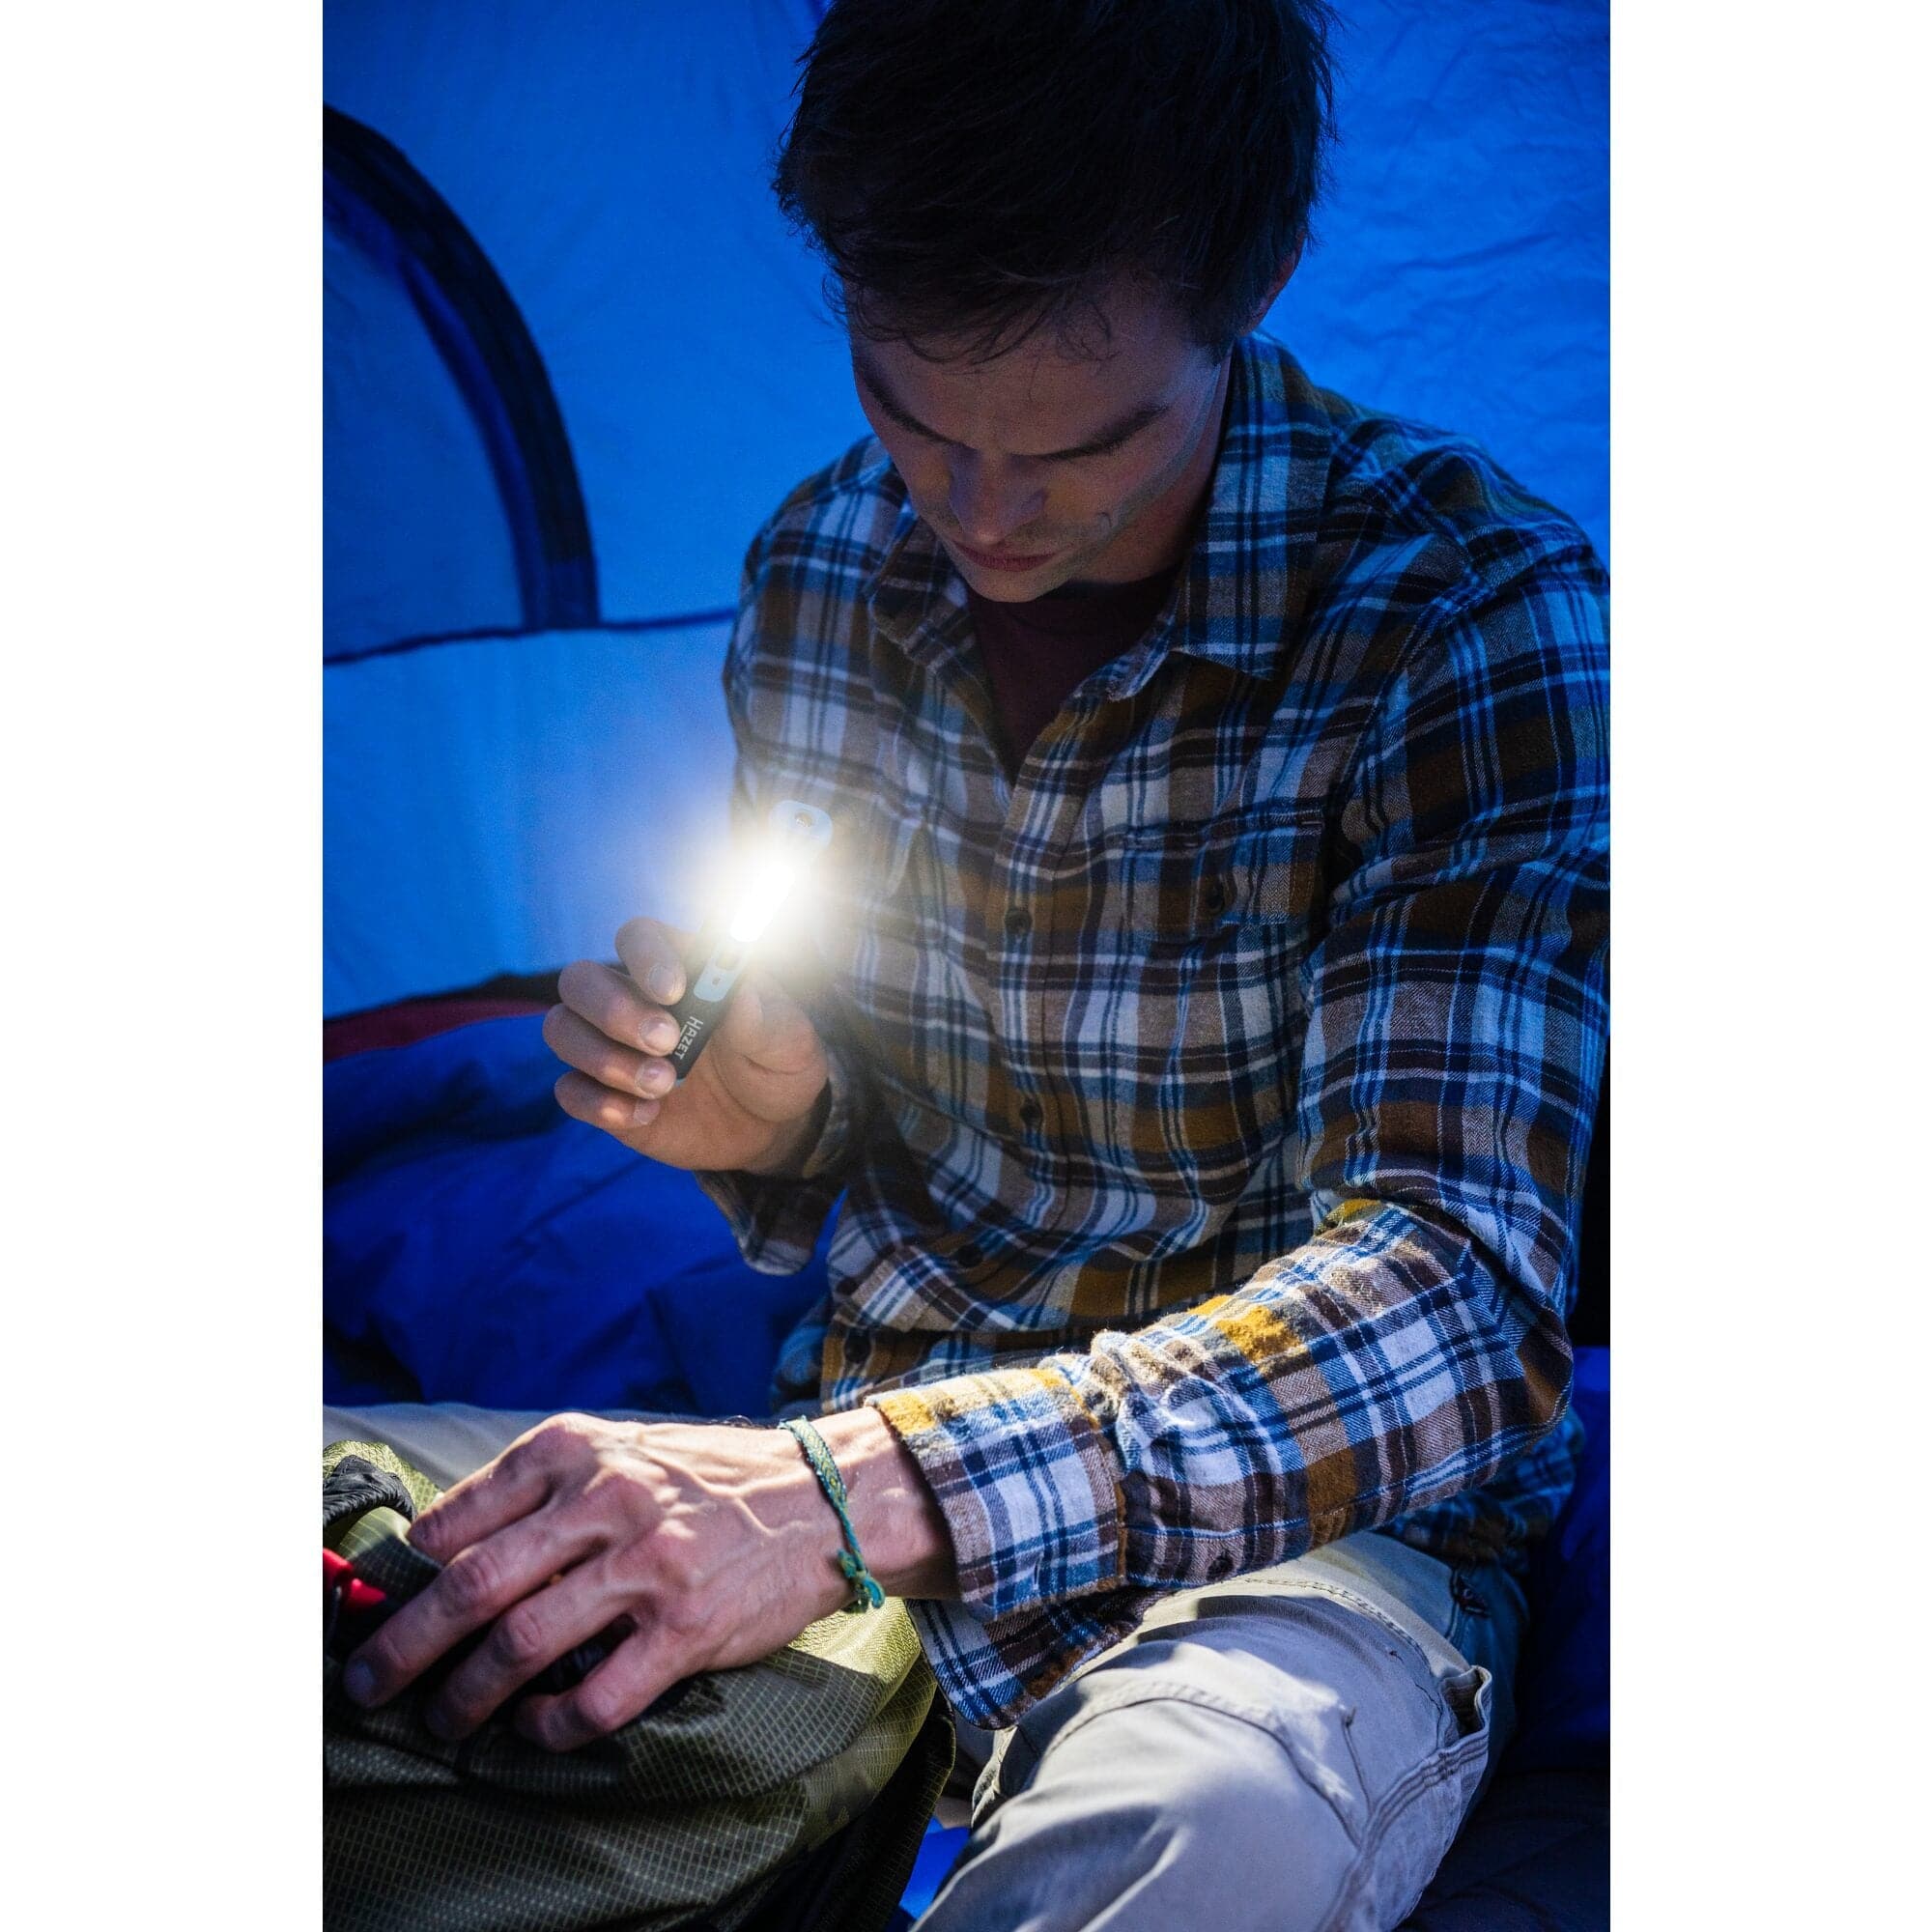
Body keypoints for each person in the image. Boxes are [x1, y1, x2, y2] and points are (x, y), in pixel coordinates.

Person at [330, 2, 1608, 1924]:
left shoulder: (1464, 617)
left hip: (1283, 1551)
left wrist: (863, 1491)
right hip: (825, 1480)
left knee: (1199, 1823)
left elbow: (1450, 1304)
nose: (983, 516)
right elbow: (863, 1141)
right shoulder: (826, 570)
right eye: (912, 414)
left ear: (1249, 295)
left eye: (1088, 448)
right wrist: (772, 1126)